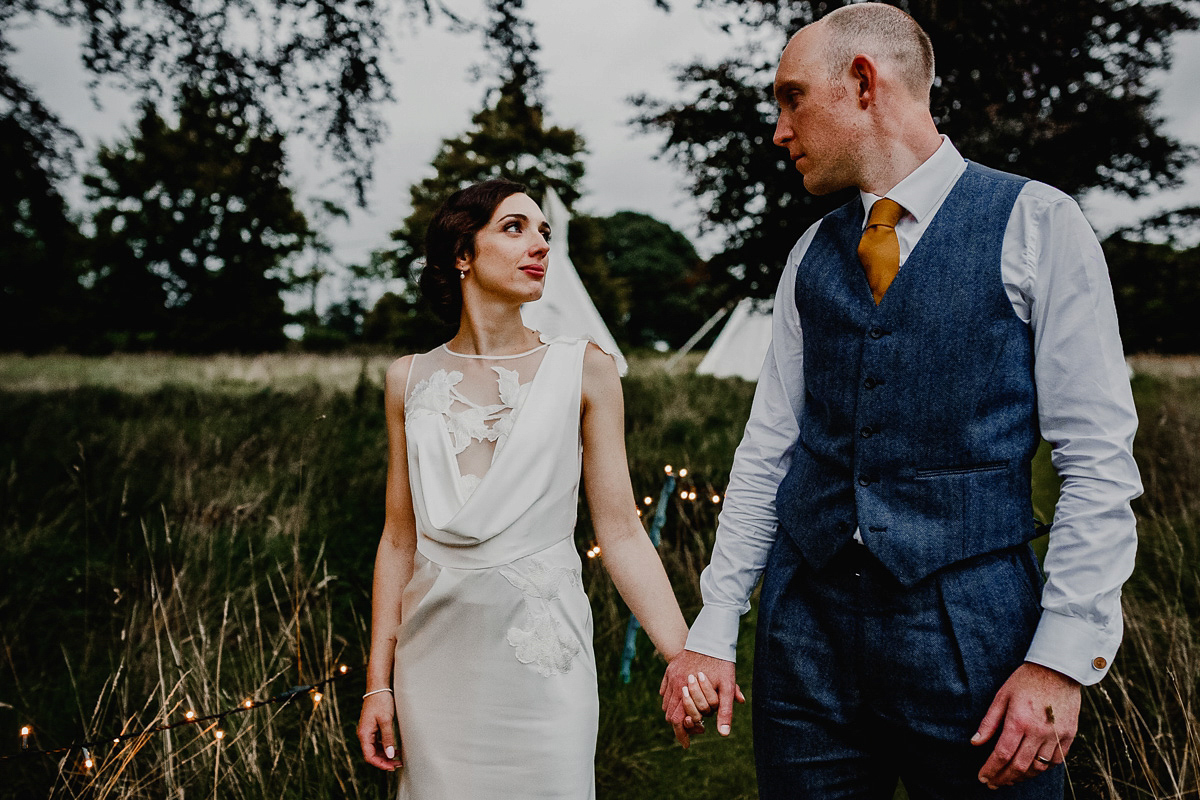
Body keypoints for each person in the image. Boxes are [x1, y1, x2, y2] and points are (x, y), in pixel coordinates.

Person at [661, 4, 1142, 798]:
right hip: (804, 635)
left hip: (975, 636)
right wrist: (715, 628)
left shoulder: (1037, 223)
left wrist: (1061, 659)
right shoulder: (810, 253)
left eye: (790, 98)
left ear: (861, 82)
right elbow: (768, 452)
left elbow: (1096, 461)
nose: (780, 130)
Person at [355, 179, 695, 799]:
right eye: (514, 228)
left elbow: (618, 532)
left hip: (545, 664)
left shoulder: (585, 369)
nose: (539, 243)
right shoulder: (408, 379)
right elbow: (398, 542)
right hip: (434, 666)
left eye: (543, 230)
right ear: (463, 253)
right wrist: (378, 683)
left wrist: (682, 655)